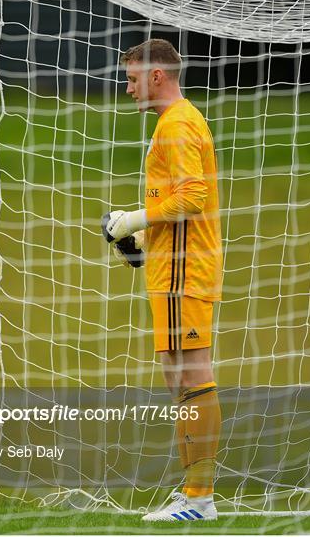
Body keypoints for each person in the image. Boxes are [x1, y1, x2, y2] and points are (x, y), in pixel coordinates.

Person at [101, 38, 222, 522]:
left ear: (156, 76)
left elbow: (192, 199)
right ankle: (194, 494)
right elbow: (176, 204)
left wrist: (134, 219)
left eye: (131, 79)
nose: (127, 89)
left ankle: (199, 499)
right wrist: (140, 243)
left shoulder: (178, 124)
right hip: (171, 264)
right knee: (180, 379)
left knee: (191, 376)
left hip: (183, 271)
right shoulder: (175, 123)